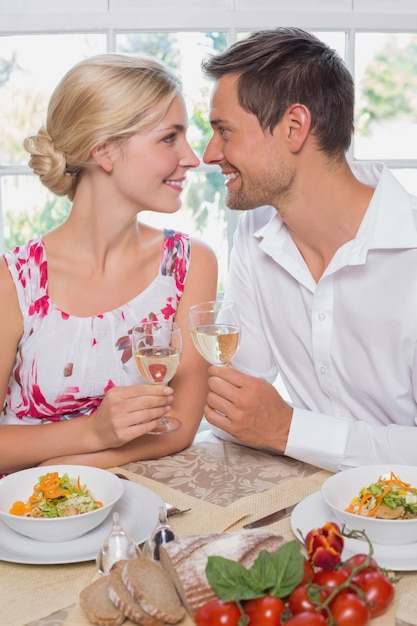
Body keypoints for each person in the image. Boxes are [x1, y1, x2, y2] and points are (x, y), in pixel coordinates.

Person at [201, 27, 417, 472]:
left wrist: (287, 430)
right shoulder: (255, 235)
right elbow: (237, 408)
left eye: (225, 131)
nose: (209, 153)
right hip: (308, 506)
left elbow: (270, 425)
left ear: (294, 127)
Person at [0, 53, 217, 474]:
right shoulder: (14, 281)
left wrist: (77, 463)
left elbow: (181, 427)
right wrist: (93, 433)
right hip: (27, 522)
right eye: (169, 138)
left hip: (134, 513)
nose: (193, 157)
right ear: (105, 151)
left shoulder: (191, 264)